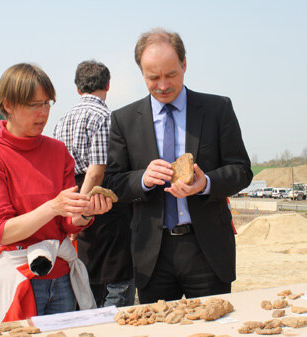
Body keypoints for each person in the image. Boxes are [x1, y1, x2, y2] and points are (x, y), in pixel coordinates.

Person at [105, 28, 253, 304]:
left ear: (184, 65)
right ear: (142, 73)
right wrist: (143, 179)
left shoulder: (216, 109)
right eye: (153, 77)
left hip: (206, 249)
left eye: (171, 74)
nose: (163, 85)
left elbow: (241, 170)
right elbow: (113, 183)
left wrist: (205, 183)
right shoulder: (124, 120)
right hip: (152, 254)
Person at [0, 63, 112, 323]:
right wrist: (54, 207)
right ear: (8, 105)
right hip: (17, 278)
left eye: (47, 103)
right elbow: (1, 231)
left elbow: (67, 224)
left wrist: (85, 214)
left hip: (61, 275)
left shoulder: (58, 151)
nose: (43, 113)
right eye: (34, 105)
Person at [54, 60, 135, 307]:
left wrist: (72, 213)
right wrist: (83, 209)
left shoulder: (61, 120)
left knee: (87, 271)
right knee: (116, 272)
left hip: (72, 193)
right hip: (98, 199)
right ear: (108, 85)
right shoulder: (104, 117)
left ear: (78, 88)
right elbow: (96, 171)